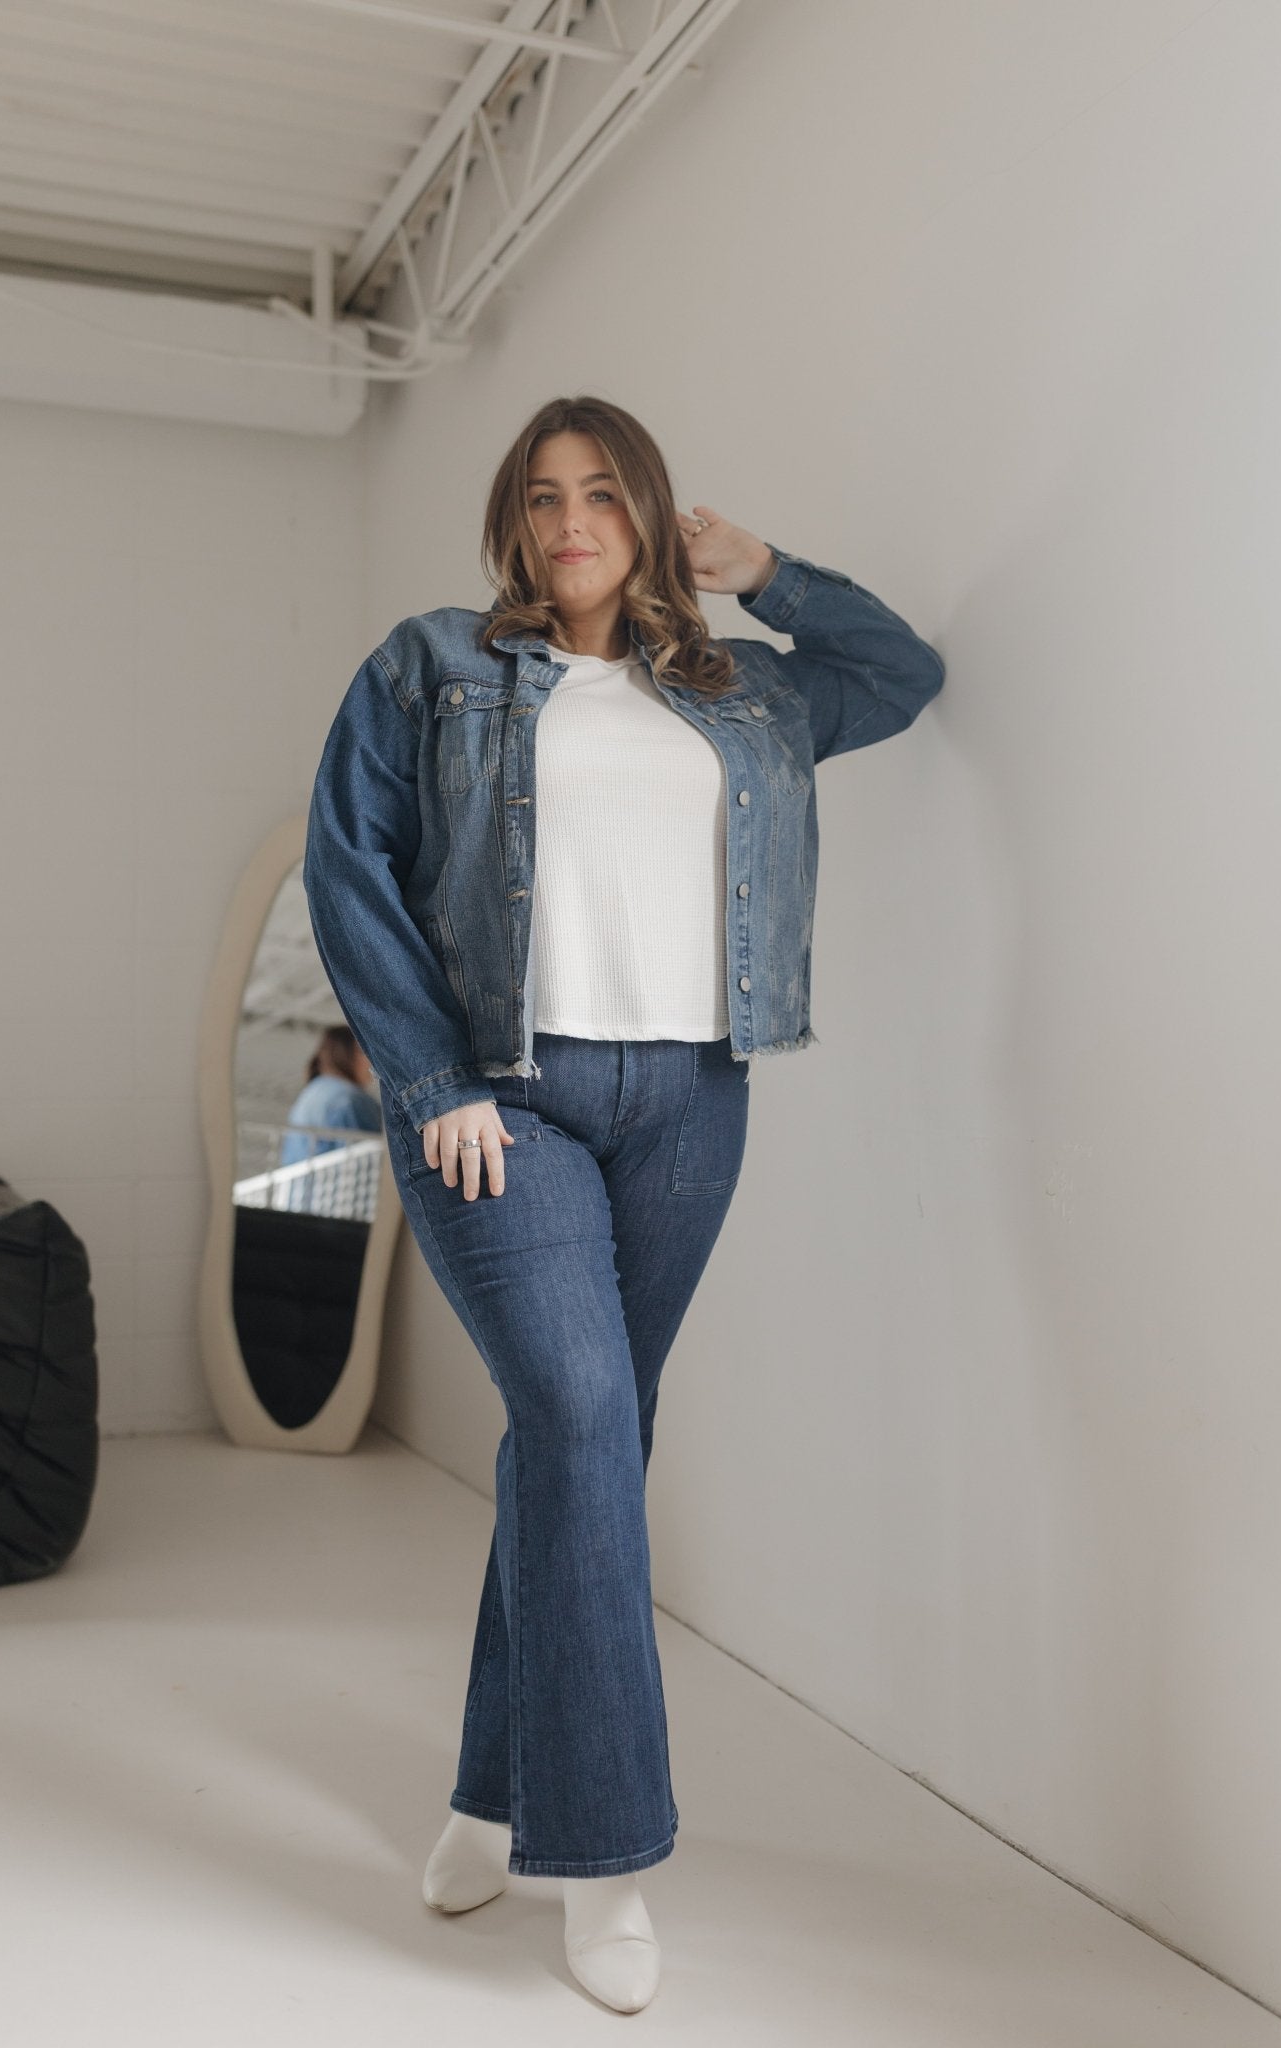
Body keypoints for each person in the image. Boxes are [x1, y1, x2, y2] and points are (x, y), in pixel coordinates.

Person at [303, 394, 945, 2012]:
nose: (571, 521)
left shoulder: (742, 689)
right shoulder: (432, 667)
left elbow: (901, 675)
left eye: (602, 493)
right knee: (584, 1419)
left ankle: (488, 1793)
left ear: (651, 515)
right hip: (499, 1099)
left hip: (688, 1100)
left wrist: (770, 571)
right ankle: (601, 1859)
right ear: (511, 524)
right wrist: (431, 1082)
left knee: (583, 1442)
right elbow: (349, 865)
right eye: (542, 497)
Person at [277, 1024, 382, 1169]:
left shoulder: (309, 1094)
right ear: (347, 1054)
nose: (372, 1061)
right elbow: (370, 1163)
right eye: (364, 1052)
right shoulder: (351, 1099)